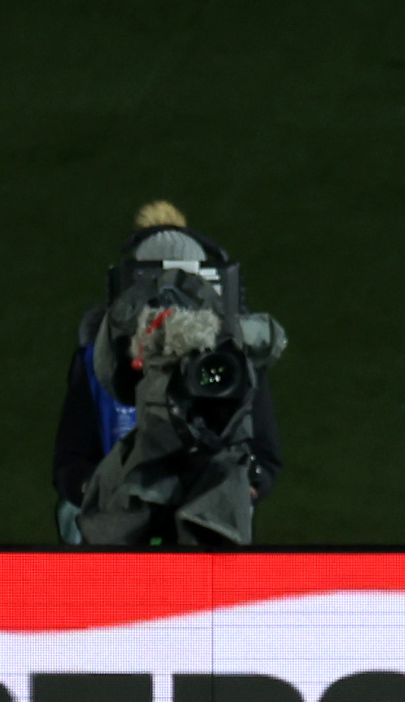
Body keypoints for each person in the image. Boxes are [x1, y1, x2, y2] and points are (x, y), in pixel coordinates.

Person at [52, 201, 283, 544]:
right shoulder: (97, 362)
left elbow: (264, 456)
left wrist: (243, 483)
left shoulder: (231, 363)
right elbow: (70, 462)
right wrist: (98, 490)